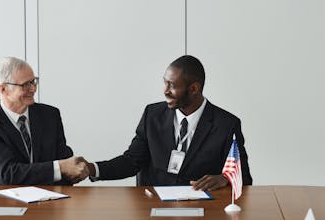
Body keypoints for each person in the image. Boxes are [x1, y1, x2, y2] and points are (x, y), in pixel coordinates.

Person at [83, 55, 252, 190]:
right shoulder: (152, 115)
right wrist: (91, 169)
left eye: (172, 85)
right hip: (153, 208)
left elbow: (243, 177)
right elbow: (131, 161)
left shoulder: (227, 125)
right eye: (165, 82)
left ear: (194, 89)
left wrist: (224, 179)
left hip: (203, 209)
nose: (165, 91)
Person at [0, 57, 89, 185]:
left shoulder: (50, 115)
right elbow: (8, 173)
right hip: (5, 200)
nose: (33, 89)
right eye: (26, 85)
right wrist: (59, 168)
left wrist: (75, 170)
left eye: (33, 82)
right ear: (3, 89)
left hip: (50, 198)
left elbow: (65, 161)